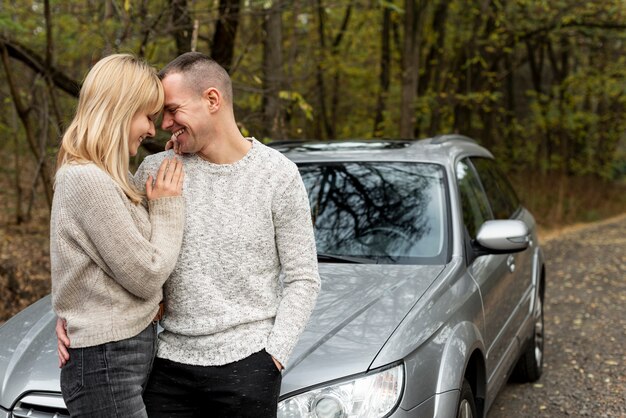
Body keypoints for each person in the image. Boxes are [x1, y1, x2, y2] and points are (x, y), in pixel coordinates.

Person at [135, 52, 321, 417]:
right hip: (167, 367)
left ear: (212, 100)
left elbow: (303, 277)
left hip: (250, 367)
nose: (165, 123)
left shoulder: (277, 175)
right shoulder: (154, 171)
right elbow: (117, 256)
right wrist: (72, 318)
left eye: (173, 110)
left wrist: (275, 356)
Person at [50, 54, 186, 417]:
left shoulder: (107, 180)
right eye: (147, 117)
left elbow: (89, 271)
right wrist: (168, 207)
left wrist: (69, 310)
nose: (152, 130)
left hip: (116, 355)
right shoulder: (86, 180)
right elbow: (146, 274)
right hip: (106, 360)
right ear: (119, 110)